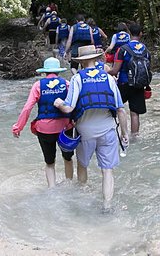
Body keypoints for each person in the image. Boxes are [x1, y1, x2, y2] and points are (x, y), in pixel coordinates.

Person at [54, 45, 128, 212]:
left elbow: (68, 108)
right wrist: (124, 133)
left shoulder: (77, 79)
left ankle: (82, 199)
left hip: (85, 131)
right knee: (107, 170)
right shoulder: (109, 78)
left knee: (82, 164)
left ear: (80, 62)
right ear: (96, 59)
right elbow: (121, 110)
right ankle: (107, 206)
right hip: (108, 130)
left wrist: (58, 103)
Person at [12, 57, 74, 188]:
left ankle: (52, 189)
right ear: (58, 71)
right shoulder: (67, 84)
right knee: (68, 158)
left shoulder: (38, 85)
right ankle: (69, 185)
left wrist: (18, 127)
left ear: (45, 72)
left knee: (50, 163)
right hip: (65, 127)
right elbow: (74, 105)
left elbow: (27, 108)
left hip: (45, 129)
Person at [108, 23, 151, 136]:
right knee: (134, 113)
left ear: (129, 33)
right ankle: (134, 137)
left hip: (123, 83)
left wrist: (104, 72)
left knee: (115, 108)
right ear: (141, 34)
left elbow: (115, 71)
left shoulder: (123, 50)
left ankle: (116, 134)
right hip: (138, 84)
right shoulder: (145, 50)